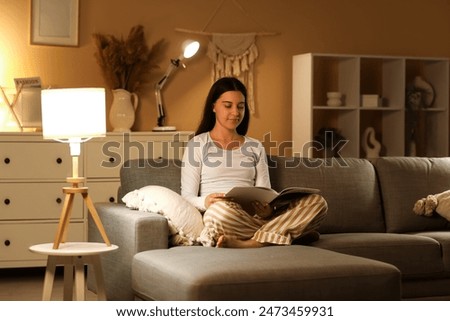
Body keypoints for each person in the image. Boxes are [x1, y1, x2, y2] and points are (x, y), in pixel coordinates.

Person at [181, 77, 327, 248]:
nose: (235, 112)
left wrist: (268, 210)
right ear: (213, 106)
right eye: (228, 106)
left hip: (252, 216)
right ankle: (290, 232)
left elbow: (264, 190)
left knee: (318, 202)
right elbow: (187, 197)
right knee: (218, 214)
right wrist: (205, 201)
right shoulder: (197, 144)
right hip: (223, 214)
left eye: (240, 106)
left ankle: (254, 242)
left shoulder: (255, 146)